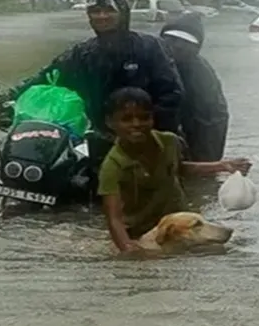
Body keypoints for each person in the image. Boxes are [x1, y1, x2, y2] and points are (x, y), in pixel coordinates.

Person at [0, 0, 184, 170]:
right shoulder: (81, 54)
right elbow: (41, 80)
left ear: (124, 13)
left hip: (146, 137)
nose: (102, 16)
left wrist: (143, 133)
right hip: (97, 138)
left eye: (109, 10)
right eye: (95, 11)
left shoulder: (150, 48)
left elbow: (172, 94)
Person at [97, 87, 250, 254]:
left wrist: (222, 166)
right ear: (110, 123)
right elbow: (114, 217)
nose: (136, 124)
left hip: (181, 223)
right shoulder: (112, 166)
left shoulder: (170, 141)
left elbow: (181, 167)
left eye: (144, 117)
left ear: (152, 118)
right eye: (126, 119)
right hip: (142, 232)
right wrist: (128, 248)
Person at [159, 12, 229, 162]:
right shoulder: (155, 62)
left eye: (185, 42)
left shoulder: (201, 76)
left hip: (200, 138)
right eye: (172, 39)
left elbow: (211, 121)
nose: (177, 46)